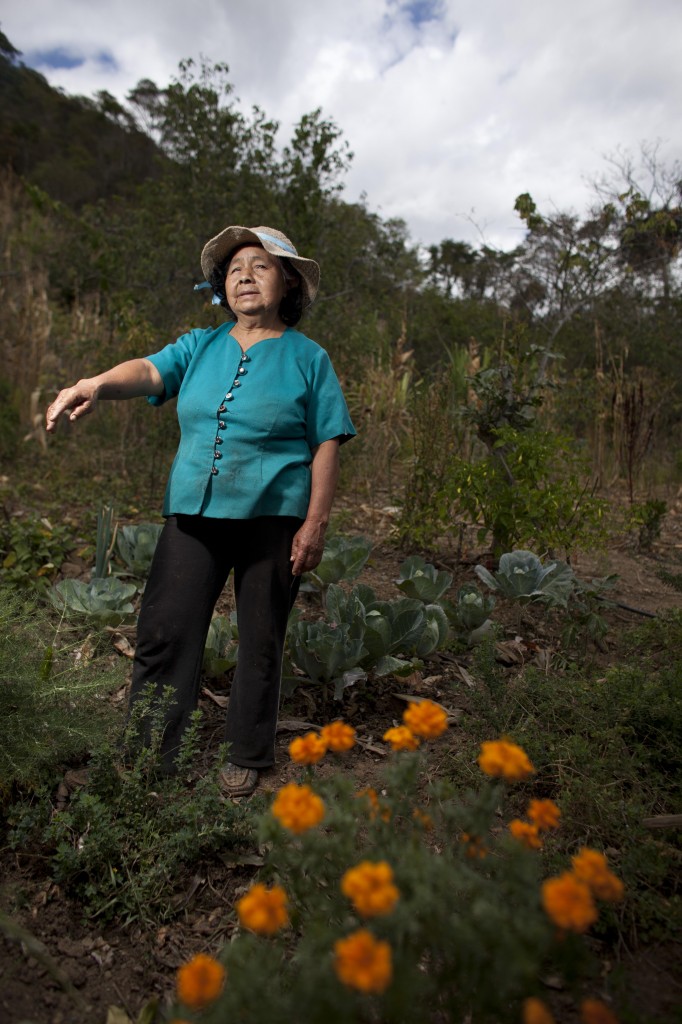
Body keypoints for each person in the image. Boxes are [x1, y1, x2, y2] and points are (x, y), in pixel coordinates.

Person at [46, 225, 356, 796]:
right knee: (164, 630)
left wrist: (314, 524)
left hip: (274, 518)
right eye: (235, 267)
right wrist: (93, 383)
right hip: (195, 512)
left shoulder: (309, 358)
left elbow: (327, 442)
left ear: (286, 283)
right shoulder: (200, 345)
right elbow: (146, 370)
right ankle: (150, 756)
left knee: (260, 636)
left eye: (261, 266)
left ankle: (247, 752)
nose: (244, 274)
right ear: (222, 284)